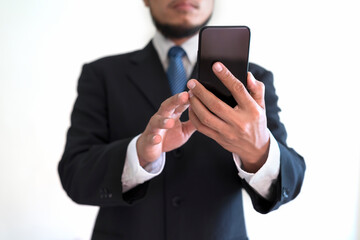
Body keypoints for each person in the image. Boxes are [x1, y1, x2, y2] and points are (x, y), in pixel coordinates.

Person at [58, 0, 306, 239]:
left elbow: (291, 181)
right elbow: (75, 176)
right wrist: (139, 155)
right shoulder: (102, 75)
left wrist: (259, 152)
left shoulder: (254, 81)